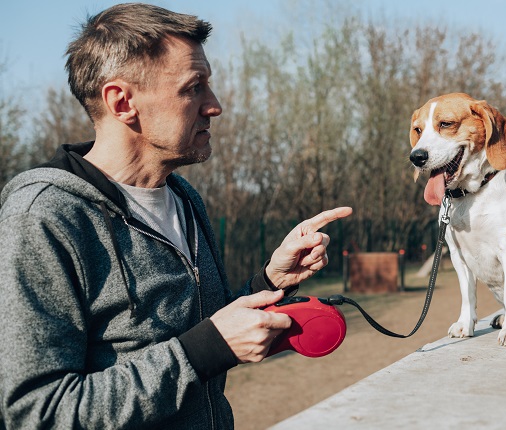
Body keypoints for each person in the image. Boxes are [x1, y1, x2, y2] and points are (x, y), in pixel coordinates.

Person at [0, 3, 351, 429]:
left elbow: (199, 333)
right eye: (194, 87)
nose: (214, 105)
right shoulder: (46, 216)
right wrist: (204, 351)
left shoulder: (183, 198)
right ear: (123, 101)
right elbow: (38, 412)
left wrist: (269, 281)